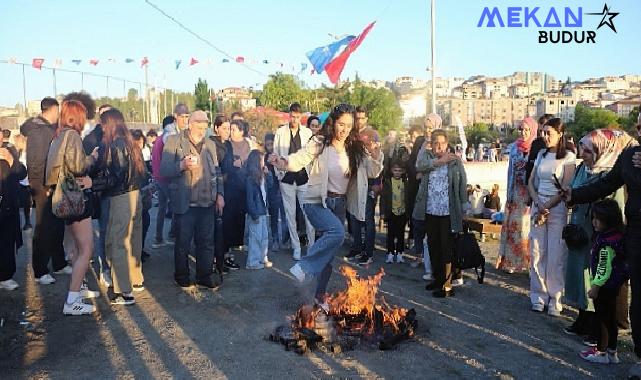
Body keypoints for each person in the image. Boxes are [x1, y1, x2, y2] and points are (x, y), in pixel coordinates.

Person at [271, 103, 383, 302]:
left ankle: (318, 297)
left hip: (339, 203)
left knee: (328, 256)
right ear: (333, 122)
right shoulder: (321, 143)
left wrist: (376, 155)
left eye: (349, 125)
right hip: (316, 201)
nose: (345, 130)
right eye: (341, 124)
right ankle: (304, 266)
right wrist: (282, 162)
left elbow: (373, 171)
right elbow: (299, 158)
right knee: (338, 233)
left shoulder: (355, 148)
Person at [563, 129, 637, 341]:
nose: (583, 153)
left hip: (599, 234)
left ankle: (600, 327)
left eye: (588, 149)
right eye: (582, 148)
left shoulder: (612, 173)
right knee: (580, 275)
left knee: (597, 277)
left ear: (602, 149)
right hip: (580, 230)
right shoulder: (582, 169)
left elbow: (613, 208)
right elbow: (574, 192)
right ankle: (583, 317)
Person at [160, 110, 225, 289]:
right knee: (183, 242)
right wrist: (181, 165)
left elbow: (217, 172)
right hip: (185, 203)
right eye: (199, 126)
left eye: (205, 127)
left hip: (207, 202)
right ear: (190, 124)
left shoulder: (210, 144)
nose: (202, 130)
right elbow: (163, 170)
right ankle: (181, 276)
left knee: (206, 242)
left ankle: (204, 275)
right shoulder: (174, 141)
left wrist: (220, 194)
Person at [45, 100, 98, 315]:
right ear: (77, 116)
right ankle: (72, 300)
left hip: (63, 198)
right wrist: (92, 158)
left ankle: (79, 288)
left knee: (77, 248)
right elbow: (78, 166)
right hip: (75, 198)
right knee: (86, 249)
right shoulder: (73, 136)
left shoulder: (58, 136)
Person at [92, 109, 147, 305]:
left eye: (103, 123)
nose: (101, 127)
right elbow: (142, 173)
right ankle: (136, 280)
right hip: (135, 195)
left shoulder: (116, 145)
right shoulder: (132, 143)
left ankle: (124, 291)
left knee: (118, 242)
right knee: (133, 240)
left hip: (121, 197)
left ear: (110, 124)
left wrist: (93, 183)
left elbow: (116, 177)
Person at [527, 118, 576, 316]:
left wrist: (546, 206)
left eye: (549, 133)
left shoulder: (569, 157)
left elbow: (566, 187)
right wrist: (538, 203)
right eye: (543, 132)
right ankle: (538, 295)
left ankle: (555, 298)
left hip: (556, 209)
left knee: (556, 255)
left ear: (560, 134)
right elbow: (531, 181)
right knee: (537, 252)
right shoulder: (541, 154)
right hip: (539, 205)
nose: (545, 137)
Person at [413, 129, 469, 298]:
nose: (439, 146)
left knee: (446, 247)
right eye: (435, 143)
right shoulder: (427, 157)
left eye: (442, 143)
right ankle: (438, 280)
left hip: (447, 211)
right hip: (430, 209)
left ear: (447, 144)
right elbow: (419, 167)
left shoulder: (454, 161)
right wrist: (439, 162)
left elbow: (462, 183)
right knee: (433, 246)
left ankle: (447, 285)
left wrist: (464, 206)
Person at [20, 97, 69, 284]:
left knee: (57, 226)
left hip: (53, 184)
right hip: (43, 186)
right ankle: (40, 270)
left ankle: (59, 263)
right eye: (57, 111)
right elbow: (36, 162)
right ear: (50, 110)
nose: (59, 115)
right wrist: (45, 186)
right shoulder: (39, 131)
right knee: (44, 227)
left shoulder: (48, 129)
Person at [578, 200, 627, 364]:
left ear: (609, 219)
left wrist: (595, 287)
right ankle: (612, 351)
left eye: (597, 219)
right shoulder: (615, 236)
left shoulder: (607, 243)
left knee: (603, 319)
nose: (594, 222)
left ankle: (601, 351)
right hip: (613, 286)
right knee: (611, 319)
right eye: (593, 218)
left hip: (604, 286)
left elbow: (603, 269)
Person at [273, 103, 315, 261]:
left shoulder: (307, 132)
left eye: (298, 117)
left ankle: (311, 246)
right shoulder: (280, 132)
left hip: (304, 177)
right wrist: (279, 174)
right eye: (292, 116)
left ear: (301, 117)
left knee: (308, 213)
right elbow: (275, 154)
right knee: (290, 215)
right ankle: (296, 247)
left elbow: (311, 154)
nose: (295, 119)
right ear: (289, 115)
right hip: (287, 177)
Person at [497, 117, 537, 273]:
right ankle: (512, 262)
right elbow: (510, 171)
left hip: (528, 193)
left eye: (527, 129)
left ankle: (527, 263)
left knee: (526, 229)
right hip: (515, 192)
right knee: (513, 229)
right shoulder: (514, 147)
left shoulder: (536, 147)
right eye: (521, 129)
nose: (523, 133)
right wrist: (508, 192)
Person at [152, 105, 189, 249]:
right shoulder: (169, 138)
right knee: (176, 205)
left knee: (162, 208)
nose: (184, 120)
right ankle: (172, 235)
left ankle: (157, 238)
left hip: (158, 177)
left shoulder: (158, 140)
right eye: (182, 117)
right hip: (166, 178)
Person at [348, 105, 381, 266]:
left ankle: (368, 252)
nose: (359, 121)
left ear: (366, 119)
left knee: (368, 218)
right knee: (354, 216)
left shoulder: (372, 134)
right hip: (352, 182)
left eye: (362, 118)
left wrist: (376, 184)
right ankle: (356, 247)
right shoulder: (351, 134)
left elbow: (378, 161)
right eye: (357, 118)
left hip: (369, 182)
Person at [220, 120, 252, 270]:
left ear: (241, 131)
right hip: (230, 185)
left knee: (241, 215)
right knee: (229, 218)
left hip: (245, 185)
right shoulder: (227, 145)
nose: (231, 132)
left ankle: (236, 243)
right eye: (229, 129)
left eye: (233, 129)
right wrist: (233, 164)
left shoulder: (249, 144)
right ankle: (227, 250)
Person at [0, 130, 27, 290]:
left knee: (7, 242)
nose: (1, 138)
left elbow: (22, 173)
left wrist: (11, 160)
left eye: (1, 135)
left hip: (9, 206)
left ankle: (5, 276)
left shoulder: (9, 150)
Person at [245, 150, 272, 270]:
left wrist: (268, 174)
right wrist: (254, 213)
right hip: (256, 212)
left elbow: (270, 187)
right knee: (255, 237)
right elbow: (249, 199)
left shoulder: (262, 176)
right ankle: (252, 261)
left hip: (263, 210)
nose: (263, 162)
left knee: (264, 236)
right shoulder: (251, 179)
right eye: (262, 160)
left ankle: (262, 257)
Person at [131, 129, 153, 262]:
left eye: (141, 143)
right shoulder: (129, 157)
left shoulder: (140, 157)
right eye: (137, 143)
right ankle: (135, 252)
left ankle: (140, 248)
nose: (140, 146)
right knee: (138, 226)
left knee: (145, 221)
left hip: (144, 195)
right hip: (134, 196)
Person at [264, 133, 288, 251]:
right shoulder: (264, 158)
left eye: (271, 144)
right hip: (272, 190)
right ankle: (275, 239)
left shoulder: (280, 155)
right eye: (267, 144)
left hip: (283, 188)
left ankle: (284, 239)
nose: (269, 146)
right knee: (273, 216)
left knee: (285, 215)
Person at [382, 160, 408, 264]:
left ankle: (400, 253)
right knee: (391, 234)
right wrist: (383, 212)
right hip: (391, 211)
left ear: (402, 171)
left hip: (402, 211)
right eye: (395, 170)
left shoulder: (405, 182)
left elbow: (408, 197)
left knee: (401, 234)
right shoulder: (388, 182)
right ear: (392, 171)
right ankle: (390, 253)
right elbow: (383, 198)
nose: (397, 172)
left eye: (399, 170)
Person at [12, 134, 32, 230]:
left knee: (27, 203)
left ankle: (28, 222)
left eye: (17, 142)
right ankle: (25, 222)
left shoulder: (29, 153)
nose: (15, 144)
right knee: (23, 203)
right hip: (21, 182)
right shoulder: (17, 153)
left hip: (29, 181)